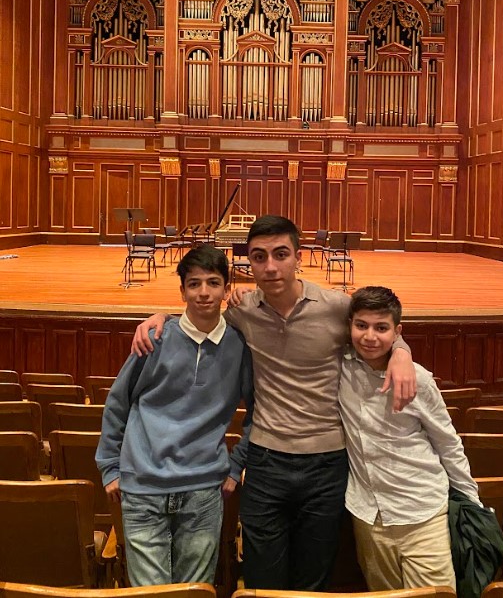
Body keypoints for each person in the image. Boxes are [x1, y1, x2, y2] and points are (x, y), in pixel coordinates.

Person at [131, 215, 416, 590]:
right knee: (261, 580)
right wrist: (160, 318)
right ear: (248, 261)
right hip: (266, 462)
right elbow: (199, 314)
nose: (270, 266)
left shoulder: (335, 306)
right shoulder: (243, 309)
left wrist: (401, 351)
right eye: (259, 257)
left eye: (280, 254)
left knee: (313, 580)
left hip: (327, 462)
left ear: (298, 256)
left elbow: (377, 327)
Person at [96, 244, 253, 587]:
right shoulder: (154, 338)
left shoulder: (240, 346)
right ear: (182, 291)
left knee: (194, 591)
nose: (203, 293)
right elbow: (119, 402)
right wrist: (109, 466)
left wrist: (236, 465)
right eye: (194, 284)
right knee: (150, 594)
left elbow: (258, 412)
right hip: (143, 489)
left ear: (226, 289)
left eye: (213, 283)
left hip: (203, 491)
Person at [340, 285, 480, 592]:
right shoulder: (340, 369)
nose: (370, 336)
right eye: (361, 325)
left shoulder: (418, 379)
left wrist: (473, 505)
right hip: (368, 517)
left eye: (381, 328)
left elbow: (448, 443)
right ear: (350, 325)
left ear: (397, 331)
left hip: (422, 513)